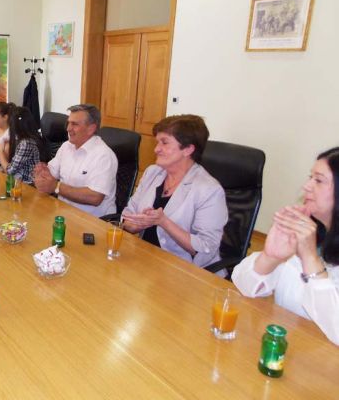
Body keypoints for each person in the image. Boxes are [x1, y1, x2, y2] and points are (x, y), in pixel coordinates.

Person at [232, 147, 339, 345]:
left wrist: (310, 260)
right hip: (287, 347)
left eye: (318, 180)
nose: (306, 186)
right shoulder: (309, 234)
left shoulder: (308, 244)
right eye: (310, 177)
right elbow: (243, 285)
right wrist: (270, 257)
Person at [121, 115, 227, 268]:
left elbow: (206, 248)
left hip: (183, 269)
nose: (156, 149)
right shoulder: (153, 172)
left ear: (188, 149)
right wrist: (135, 225)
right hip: (145, 256)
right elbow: (128, 215)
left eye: (164, 143)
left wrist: (163, 222)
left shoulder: (209, 190)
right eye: (157, 142)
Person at [33, 104, 117, 217]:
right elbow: (50, 174)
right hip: (63, 212)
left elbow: (95, 197)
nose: (68, 128)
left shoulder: (104, 155)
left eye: (75, 124)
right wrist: (42, 173)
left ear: (91, 129)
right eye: (68, 123)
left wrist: (56, 186)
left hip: (92, 221)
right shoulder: (66, 146)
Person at [0, 106, 43, 184]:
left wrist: (0, 151)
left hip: (26, 184)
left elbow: (9, 171)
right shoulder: (18, 137)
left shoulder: (26, 143)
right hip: (16, 180)